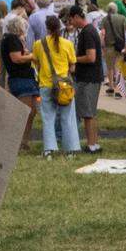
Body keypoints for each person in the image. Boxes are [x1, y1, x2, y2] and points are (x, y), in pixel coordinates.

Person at [32, 12, 79, 158]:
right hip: (64, 86)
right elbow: (72, 67)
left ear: (47, 28)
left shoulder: (38, 44)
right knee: (67, 118)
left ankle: (49, 150)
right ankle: (70, 150)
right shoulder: (68, 44)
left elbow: (36, 63)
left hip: (46, 84)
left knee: (48, 118)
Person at [1, 8, 37, 148]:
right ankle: (17, 142)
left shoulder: (11, 40)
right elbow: (16, 59)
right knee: (24, 113)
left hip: (24, 79)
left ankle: (23, 141)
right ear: (19, 27)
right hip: (21, 79)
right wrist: (32, 56)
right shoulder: (12, 39)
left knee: (31, 112)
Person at [73, 7, 104, 154]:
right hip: (91, 77)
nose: (71, 23)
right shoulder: (89, 30)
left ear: (78, 17)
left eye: (71, 19)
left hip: (89, 78)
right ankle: (94, 143)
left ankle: (91, 144)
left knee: (88, 113)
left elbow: (91, 57)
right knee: (90, 112)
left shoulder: (88, 32)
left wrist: (73, 59)